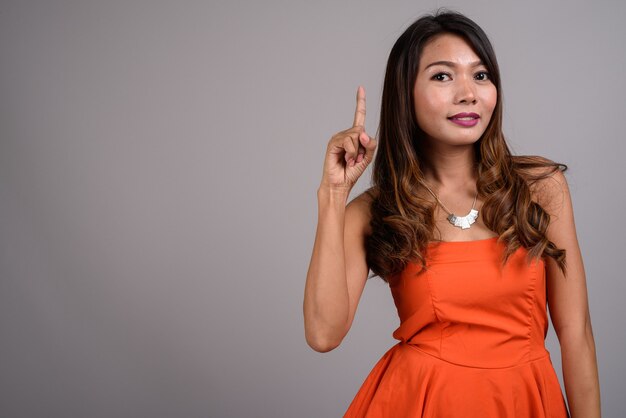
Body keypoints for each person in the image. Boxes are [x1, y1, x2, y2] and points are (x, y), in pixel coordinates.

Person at [302, 9, 601, 418]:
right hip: (419, 401)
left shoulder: (540, 187)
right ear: (404, 93)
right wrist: (332, 195)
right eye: (443, 76)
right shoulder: (376, 210)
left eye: (480, 75)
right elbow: (323, 333)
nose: (468, 93)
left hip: (526, 402)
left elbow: (577, 335)